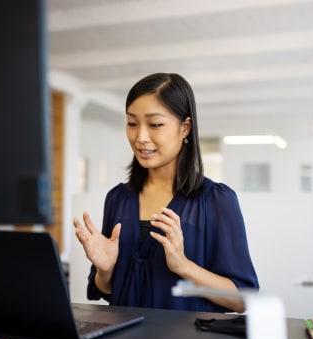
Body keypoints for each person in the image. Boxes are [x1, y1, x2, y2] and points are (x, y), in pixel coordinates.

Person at [73, 73, 259, 313]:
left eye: (155, 125)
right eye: (132, 123)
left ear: (185, 127)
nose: (140, 137)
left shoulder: (215, 200)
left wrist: (183, 266)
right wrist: (105, 270)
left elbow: (243, 299)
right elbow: (107, 290)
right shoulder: (118, 199)